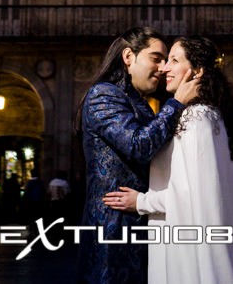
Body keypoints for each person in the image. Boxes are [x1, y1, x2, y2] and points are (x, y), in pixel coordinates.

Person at [102, 36, 233, 284]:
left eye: (174, 60)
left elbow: (197, 193)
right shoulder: (202, 114)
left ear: (196, 71)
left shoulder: (198, 118)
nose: (164, 68)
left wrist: (142, 201)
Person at [77, 26, 199, 284]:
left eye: (167, 60)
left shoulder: (139, 102)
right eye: (156, 58)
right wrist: (176, 104)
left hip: (140, 221)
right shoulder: (104, 94)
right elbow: (138, 145)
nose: (163, 67)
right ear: (128, 57)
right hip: (113, 227)